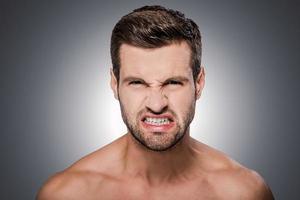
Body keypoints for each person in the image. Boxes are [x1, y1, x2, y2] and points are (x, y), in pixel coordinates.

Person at [37, 5, 274, 200]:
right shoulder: (68, 193)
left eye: (172, 82)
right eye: (137, 83)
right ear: (114, 84)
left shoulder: (242, 192)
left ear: (199, 83)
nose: (157, 104)